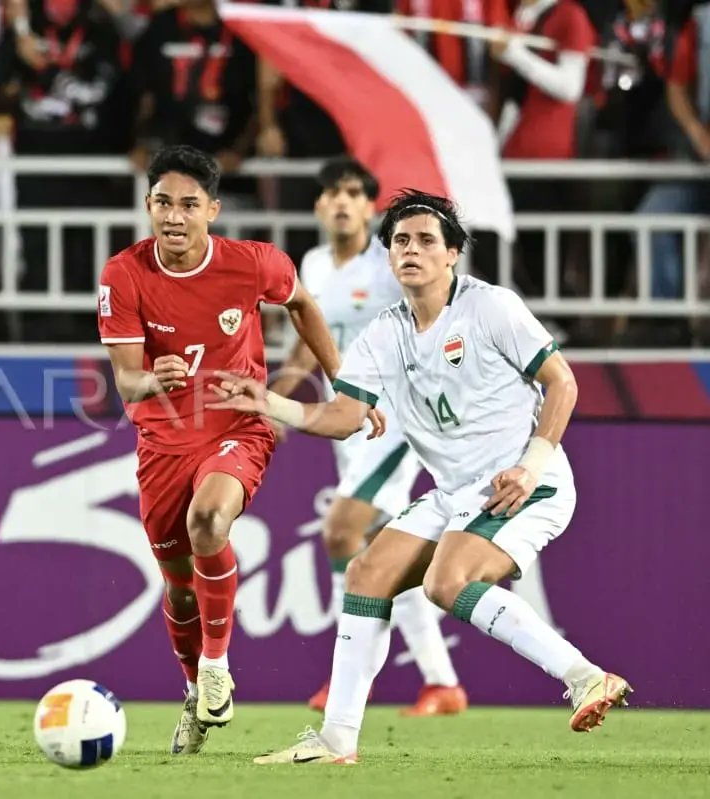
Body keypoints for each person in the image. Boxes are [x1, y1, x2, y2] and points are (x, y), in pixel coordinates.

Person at [209, 189, 631, 765]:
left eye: (427, 240)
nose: (412, 250)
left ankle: (585, 676)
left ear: (453, 253)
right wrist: (269, 404)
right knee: (365, 573)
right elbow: (345, 417)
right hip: (456, 492)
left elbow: (563, 382)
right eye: (401, 241)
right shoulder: (383, 333)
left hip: (529, 483)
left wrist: (530, 465)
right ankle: (337, 740)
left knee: (445, 583)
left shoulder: (491, 307)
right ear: (388, 255)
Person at [96, 144, 358, 755]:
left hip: (237, 422)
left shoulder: (252, 264)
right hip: (162, 441)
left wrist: (344, 384)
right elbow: (126, 380)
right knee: (179, 586)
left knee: (209, 519)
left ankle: (217, 665)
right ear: (148, 205)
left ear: (212, 209)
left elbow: (302, 304)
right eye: (164, 203)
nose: (175, 217)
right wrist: (148, 379)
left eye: (189, 204)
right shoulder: (124, 275)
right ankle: (194, 690)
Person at [269, 158, 467, 717]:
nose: (340, 201)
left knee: (340, 533)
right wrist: (282, 400)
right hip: (348, 424)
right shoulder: (312, 264)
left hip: (397, 422)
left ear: (368, 206)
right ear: (317, 205)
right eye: (331, 192)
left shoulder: (388, 264)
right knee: (385, 552)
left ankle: (348, 679)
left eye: (353, 193)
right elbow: (313, 341)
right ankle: (442, 682)